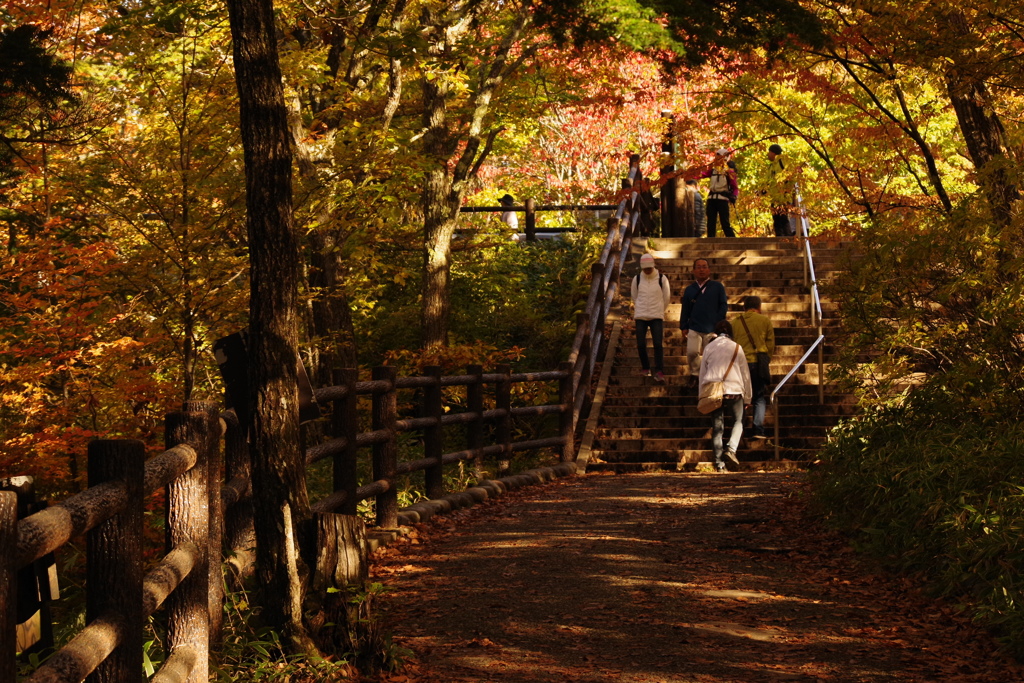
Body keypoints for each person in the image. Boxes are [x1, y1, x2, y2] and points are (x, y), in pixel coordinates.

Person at [699, 320, 752, 472]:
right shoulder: (736, 347)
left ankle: (719, 464)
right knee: (738, 421)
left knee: (717, 427)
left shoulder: (709, 347)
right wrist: (748, 397)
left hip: (714, 391)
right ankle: (731, 448)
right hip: (734, 389)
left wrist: (701, 395)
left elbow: (702, 373)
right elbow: (745, 374)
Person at [732, 296, 775, 439]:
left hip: (740, 363)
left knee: (741, 397)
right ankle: (758, 429)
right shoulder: (765, 321)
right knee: (759, 397)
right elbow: (770, 344)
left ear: (744, 307)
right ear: (759, 307)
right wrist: (766, 359)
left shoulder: (735, 323)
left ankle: (739, 428)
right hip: (758, 362)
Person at [680, 258, 727, 388]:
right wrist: (683, 325)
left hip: (712, 327)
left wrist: (718, 321)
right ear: (694, 270)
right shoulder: (690, 289)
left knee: (710, 354)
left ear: (709, 270)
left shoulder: (717, 287)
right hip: (694, 326)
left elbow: (723, 305)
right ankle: (695, 374)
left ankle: (708, 376)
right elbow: (685, 309)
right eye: (699, 267)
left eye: (704, 267)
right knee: (692, 352)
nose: (702, 269)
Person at [631, 253, 672, 383]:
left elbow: (666, 297)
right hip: (641, 316)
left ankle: (659, 369)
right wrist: (640, 308)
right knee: (641, 343)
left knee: (658, 344)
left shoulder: (662, 278)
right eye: (645, 268)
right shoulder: (637, 279)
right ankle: (645, 367)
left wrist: (660, 309)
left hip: (656, 316)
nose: (648, 270)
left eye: (649, 267)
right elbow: (634, 296)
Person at [700, 148, 738, 238]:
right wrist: (688, 175)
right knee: (711, 223)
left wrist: (734, 196)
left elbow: (734, 187)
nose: (716, 160)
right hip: (712, 199)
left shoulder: (729, 172)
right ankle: (710, 242)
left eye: (718, 157)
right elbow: (701, 174)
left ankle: (733, 242)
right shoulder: (713, 170)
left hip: (722, 199)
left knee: (725, 223)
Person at [767, 144, 795, 237]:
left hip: (783, 196)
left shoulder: (783, 162)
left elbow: (791, 177)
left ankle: (788, 238)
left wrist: (787, 191)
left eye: (769, 152)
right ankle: (780, 238)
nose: (768, 154)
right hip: (774, 197)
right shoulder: (771, 166)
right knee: (776, 219)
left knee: (783, 218)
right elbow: (769, 181)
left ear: (773, 153)